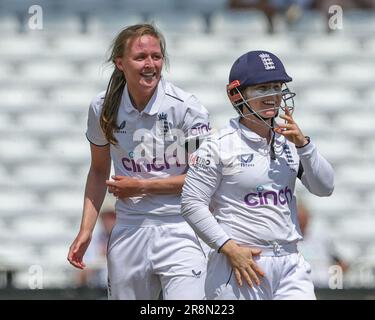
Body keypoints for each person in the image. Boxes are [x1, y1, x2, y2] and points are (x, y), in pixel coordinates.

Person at [67, 24, 211, 300]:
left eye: (156, 57)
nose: (150, 64)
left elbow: (201, 180)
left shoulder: (187, 108)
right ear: (120, 63)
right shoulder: (102, 107)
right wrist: (85, 231)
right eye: (141, 57)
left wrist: (142, 186)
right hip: (129, 229)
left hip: (181, 227)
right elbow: (98, 171)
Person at [181, 50, 334, 300]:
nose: (272, 96)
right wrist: (228, 248)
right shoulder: (217, 145)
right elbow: (191, 203)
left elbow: (325, 187)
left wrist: (304, 145)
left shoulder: (290, 142)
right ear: (236, 95)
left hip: (291, 263)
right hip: (240, 265)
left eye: (276, 87)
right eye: (261, 88)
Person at [297, 201, 349, 288]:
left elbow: (342, 263)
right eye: (299, 219)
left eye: (304, 219)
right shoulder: (288, 242)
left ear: (309, 218)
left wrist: (334, 282)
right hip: (300, 288)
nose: (302, 223)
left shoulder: (322, 237)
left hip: (325, 288)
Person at [77, 206, 116, 289]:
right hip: (98, 288)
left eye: (113, 217)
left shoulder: (128, 240)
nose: (109, 221)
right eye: (107, 217)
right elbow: (84, 271)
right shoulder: (92, 239)